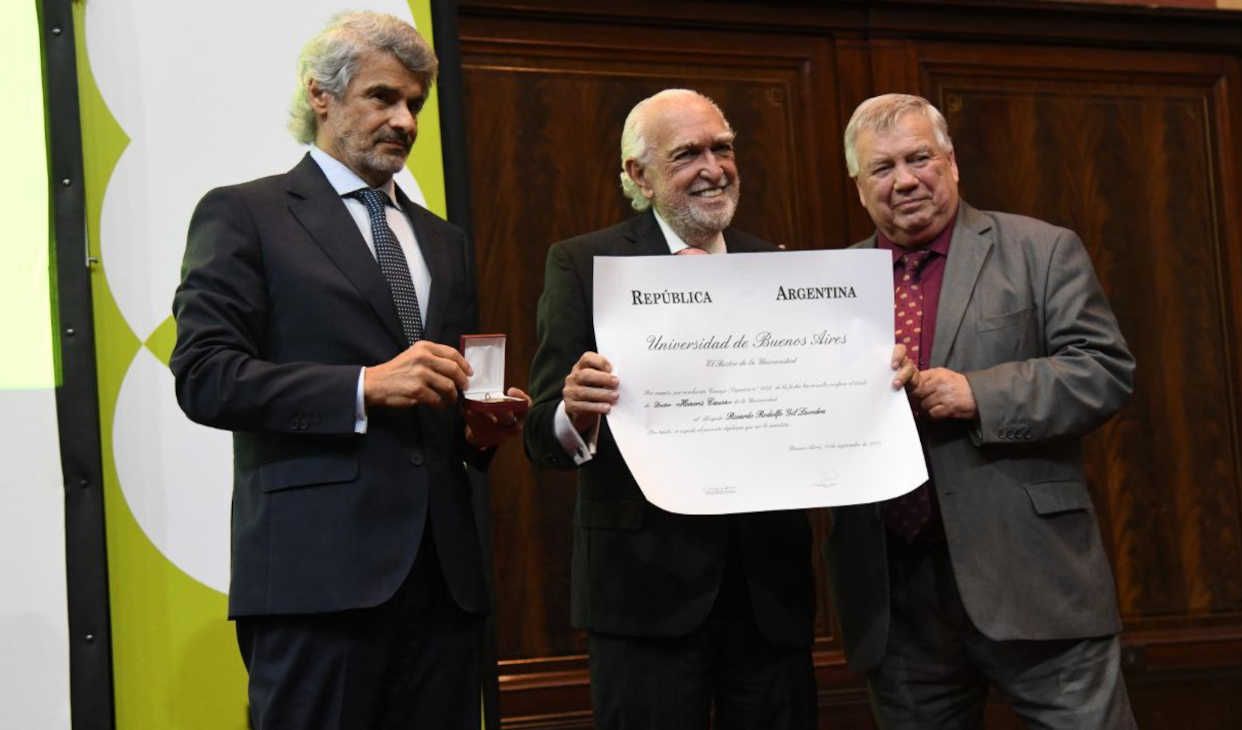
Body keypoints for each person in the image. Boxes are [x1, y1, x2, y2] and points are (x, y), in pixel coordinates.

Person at [170, 12, 526, 729]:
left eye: (416, 106)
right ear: (321, 96)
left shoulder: (443, 241)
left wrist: (482, 425)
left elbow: (444, 390)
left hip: (446, 585)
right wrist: (363, 386)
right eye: (383, 98)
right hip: (316, 582)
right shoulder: (246, 213)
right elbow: (205, 374)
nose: (404, 121)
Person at [523, 88, 862, 730]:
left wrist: (869, 379)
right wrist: (577, 410)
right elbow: (542, 434)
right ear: (638, 176)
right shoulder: (583, 265)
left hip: (768, 596)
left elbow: (824, 409)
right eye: (687, 154)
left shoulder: (782, 269)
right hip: (640, 595)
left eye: (723, 148)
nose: (713, 167)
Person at [827, 93, 1138, 729]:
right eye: (882, 168)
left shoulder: (1041, 250)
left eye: (920, 158)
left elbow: (1104, 371)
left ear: (953, 163)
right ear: (859, 186)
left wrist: (980, 394)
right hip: (896, 595)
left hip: (1032, 576)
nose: (906, 179)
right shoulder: (827, 284)